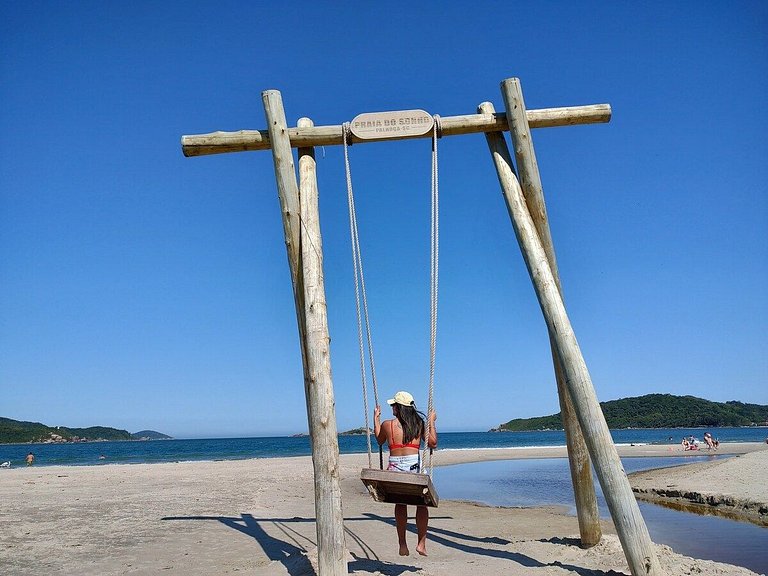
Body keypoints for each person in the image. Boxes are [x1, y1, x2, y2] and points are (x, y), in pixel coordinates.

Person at [374, 390, 437, 557]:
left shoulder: (387, 425)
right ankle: (421, 544)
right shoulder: (419, 424)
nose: (392, 407)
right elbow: (433, 443)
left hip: (395, 471)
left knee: (400, 503)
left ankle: (402, 544)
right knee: (422, 504)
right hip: (413, 469)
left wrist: (376, 419)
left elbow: (379, 440)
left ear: (400, 408)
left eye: (393, 405)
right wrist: (431, 421)